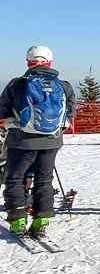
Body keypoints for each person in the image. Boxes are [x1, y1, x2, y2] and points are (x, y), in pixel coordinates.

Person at [0, 46, 76, 236]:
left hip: (21, 141)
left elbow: (2, 111)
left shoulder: (17, 84)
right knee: (44, 179)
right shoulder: (63, 85)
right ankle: (41, 219)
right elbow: (70, 113)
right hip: (52, 141)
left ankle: (18, 220)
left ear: (28, 62)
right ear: (50, 62)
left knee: (15, 178)